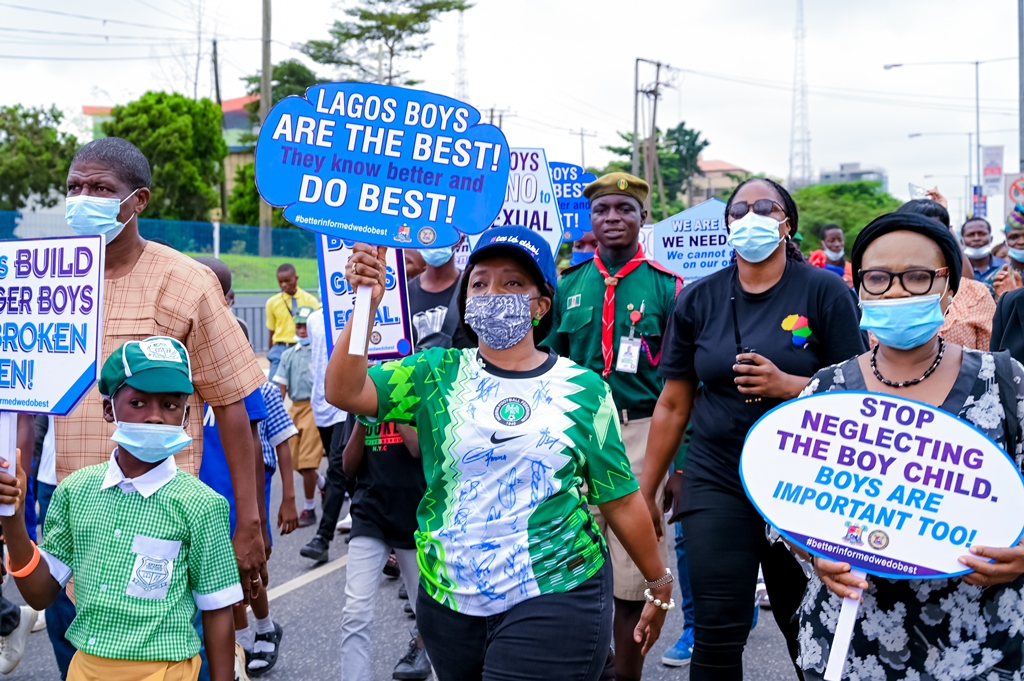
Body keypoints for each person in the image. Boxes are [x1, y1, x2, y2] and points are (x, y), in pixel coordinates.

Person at [325, 226, 672, 681]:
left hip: (554, 588)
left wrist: (658, 583)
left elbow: (620, 497)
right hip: (448, 600)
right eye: (480, 282)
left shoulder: (583, 389)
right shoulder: (435, 372)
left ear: (541, 305)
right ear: (466, 301)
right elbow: (345, 390)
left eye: (512, 283)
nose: (493, 293)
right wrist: (367, 302)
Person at [640, 177, 867, 680]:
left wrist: (790, 384)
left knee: (808, 625)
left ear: (788, 221)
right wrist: (647, 488)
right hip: (718, 476)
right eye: (738, 208)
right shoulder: (697, 300)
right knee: (718, 630)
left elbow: (859, 395)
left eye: (764, 205)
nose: (749, 215)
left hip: (807, 481)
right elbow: (674, 404)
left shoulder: (825, 291)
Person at [795, 211, 1024, 680]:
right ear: (859, 287)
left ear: (949, 288)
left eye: (918, 277)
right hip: (850, 643)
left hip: (982, 646)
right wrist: (813, 551)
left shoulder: (1006, 383)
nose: (896, 291)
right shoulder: (826, 392)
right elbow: (787, 499)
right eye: (877, 278)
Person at [57, 138, 268, 607]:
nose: (82, 199)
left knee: (169, 659)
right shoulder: (49, 280)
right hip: (70, 519)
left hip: (161, 519)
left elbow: (231, 403)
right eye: (74, 187)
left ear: (139, 201)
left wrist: (249, 521)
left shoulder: (187, 281)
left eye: (99, 188)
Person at [0, 337, 242, 681]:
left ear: (187, 416)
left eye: (171, 405)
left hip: (167, 672)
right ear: (109, 409)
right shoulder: (76, 491)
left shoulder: (201, 505)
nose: (155, 417)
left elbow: (217, 610)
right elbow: (40, 593)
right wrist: (13, 519)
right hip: (86, 670)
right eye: (139, 402)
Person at [543, 171, 682, 681]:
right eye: (602, 210)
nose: (612, 218)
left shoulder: (668, 287)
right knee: (571, 556)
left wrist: (679, 466)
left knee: (636, 571)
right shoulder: (569, 286)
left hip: (641, 434)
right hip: (577, 433)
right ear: (590, 219)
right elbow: (551, 368)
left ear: (643, 217)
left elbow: (681, 386)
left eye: (624, 208)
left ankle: (627, 674)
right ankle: (585, 663)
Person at [339, 421, 430, 680]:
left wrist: (393, 409)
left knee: (428, 614)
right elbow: (348, 466)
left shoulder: (413, 389)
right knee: (355, 613)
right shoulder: (364, 393)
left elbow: (417, 449)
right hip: (370, 513)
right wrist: (361, 417)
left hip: (415, 513)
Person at [896, 199, 996, 351]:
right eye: (917, 233)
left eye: (936, 232)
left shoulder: (975, 294)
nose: (927, 241)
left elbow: (991, 360)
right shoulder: (881, 291)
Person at [299, 307, 351, 563]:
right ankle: (362, 522)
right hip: (322, 404)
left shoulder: (357, 310)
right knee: (342, 469)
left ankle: (323, 537)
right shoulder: (314, 319)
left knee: (337, 470)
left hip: (349, 402)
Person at [273, 306, 324, 528]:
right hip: (295, 407)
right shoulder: (288, 355)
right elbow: (281, 385)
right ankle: (324, 483)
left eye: (305, 326)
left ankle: (309, 508)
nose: (302, 330)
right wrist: (275, 412)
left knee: (307, 461)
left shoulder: (319, 351)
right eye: (298, 326)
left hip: (314, 407)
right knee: (292, 459)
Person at [265, 263, 321, 380]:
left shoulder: (311, 301)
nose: (284, 285)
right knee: (273, 387)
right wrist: (271, 351)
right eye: (280, 282)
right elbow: (272, 330)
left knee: (305, 386)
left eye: (287, 281)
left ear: (296, 278)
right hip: (280, 347)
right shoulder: (271, 303)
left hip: (303, 347)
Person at [408, 241, 464, 348]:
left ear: (460, 240)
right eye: (427, 233)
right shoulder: (402, 296)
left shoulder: (473, 290)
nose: (434, 239)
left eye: (443, 231)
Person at [961, 216, 1006, 286]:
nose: (976, 238)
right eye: (970, 235)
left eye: (982, 234)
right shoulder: (956, 271)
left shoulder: (1005, 267)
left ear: (991, 238)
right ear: (962, 241)